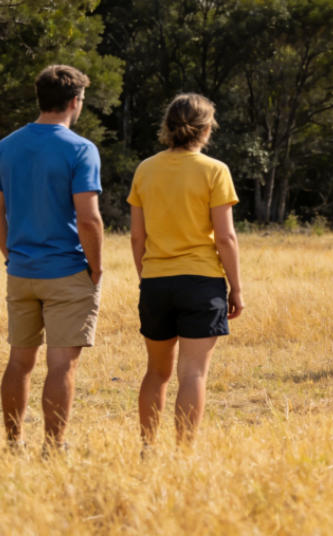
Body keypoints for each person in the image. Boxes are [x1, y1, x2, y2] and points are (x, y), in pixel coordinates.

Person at [128, 93, 243, 449]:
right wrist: (235, 288)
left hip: (156, 283)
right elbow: (225, 237)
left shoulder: (145, 168)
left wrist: (146, 277)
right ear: (206, 129)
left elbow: (136, 236)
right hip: (201, 283)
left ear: (168, 125)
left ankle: (148, 448)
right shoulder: (214, 170)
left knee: (156, 372)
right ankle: (184, 452)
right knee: (192, 373)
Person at [0, 65, 104, 455]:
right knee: (62, 365)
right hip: (67, 270)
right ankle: (53, 446)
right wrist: (96, 267)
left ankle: (13, 445)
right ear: (75, 101)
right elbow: (89, 219)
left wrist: (9, 253)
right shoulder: (80, 149)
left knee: (19, 362)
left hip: (21, 270)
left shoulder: (6, 145)